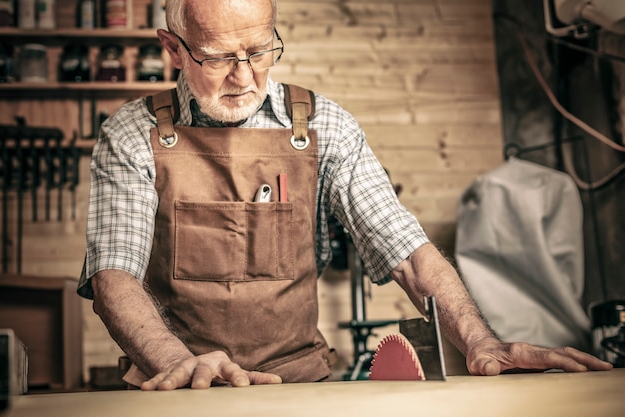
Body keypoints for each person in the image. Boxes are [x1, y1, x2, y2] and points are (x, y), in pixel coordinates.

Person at [78, 0, 613, 390]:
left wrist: (481, 341)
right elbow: (113, 276)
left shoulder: (322, 126)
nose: (244, 77)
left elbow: (405, 251)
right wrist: (175, 362)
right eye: (219, 58)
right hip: (176, 390)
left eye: (260, 51)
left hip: (298, 388)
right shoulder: (133, 134)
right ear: (173, 48)